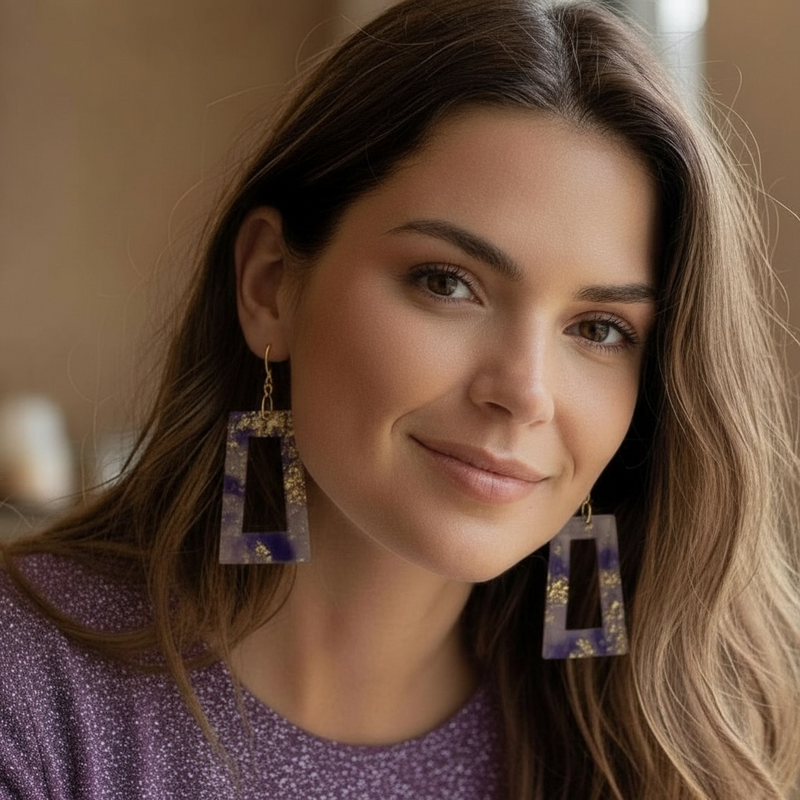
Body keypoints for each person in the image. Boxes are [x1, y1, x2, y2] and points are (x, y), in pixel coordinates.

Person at [1, 0, 799, 797]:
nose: (523, 393)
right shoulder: (29, 688)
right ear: (271, 285)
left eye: (598, 329)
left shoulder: (678, 740)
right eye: (447, 283)